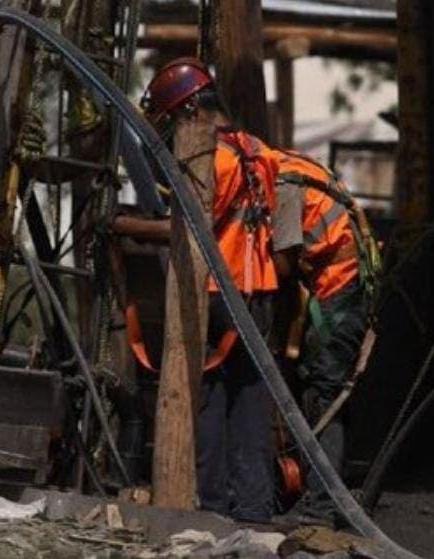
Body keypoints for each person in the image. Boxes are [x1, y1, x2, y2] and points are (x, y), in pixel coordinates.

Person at [113, 57, 280, 522]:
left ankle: (210, 505)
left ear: (188, 115)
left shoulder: (210, 159)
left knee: (205, 395)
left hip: (219, 292)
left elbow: (190, 226)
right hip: (259, 291)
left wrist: (125, 225)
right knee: (249, 400)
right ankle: (252, 506)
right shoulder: (257, 151)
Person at [269, 149, 372, 527]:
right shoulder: (290, 165)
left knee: (325, 394)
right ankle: (322, 497)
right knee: (320, 389)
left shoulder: (284, 183)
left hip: (340, 288)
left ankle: (323, 507)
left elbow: (284, 260)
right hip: (342, 286)